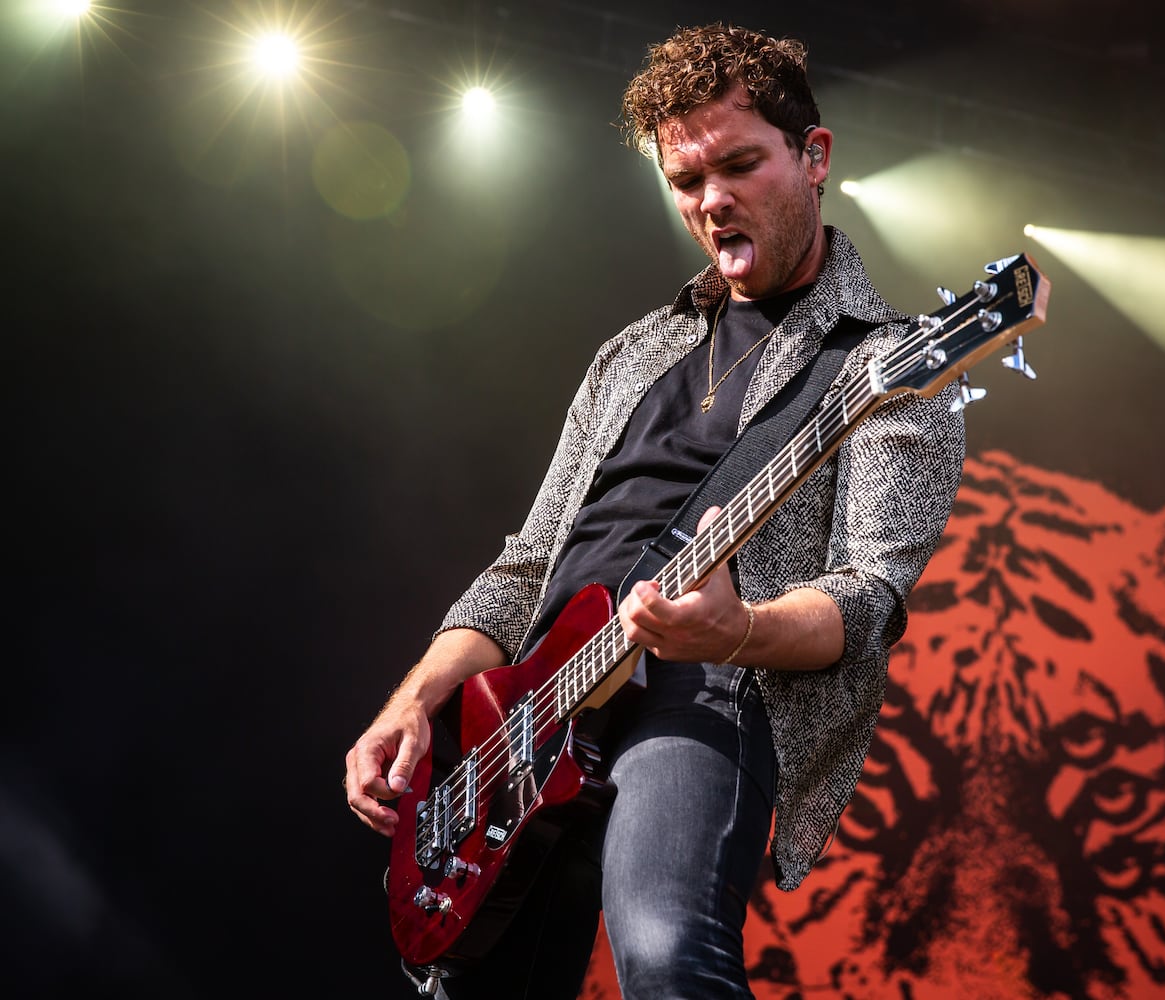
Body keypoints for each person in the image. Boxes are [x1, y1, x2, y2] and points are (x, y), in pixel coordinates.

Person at [344, 23, 966, 999]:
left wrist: (740, 626)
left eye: (740, 164)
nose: (712, 200)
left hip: (705, 690)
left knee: (670, 952)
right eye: (686, 181)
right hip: (527, 719)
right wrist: (414, 700)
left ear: (815, 158)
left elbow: (866, 602)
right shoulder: (631, 352)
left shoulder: (889, 370)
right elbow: (527, 562)